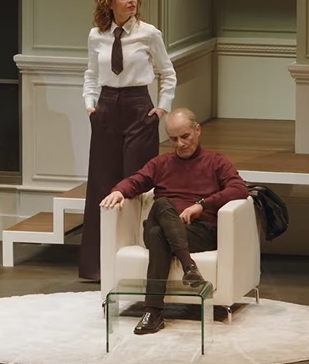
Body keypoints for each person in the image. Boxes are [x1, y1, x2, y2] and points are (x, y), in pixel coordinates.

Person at [100, 108, 248, 335]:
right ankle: (189, 267)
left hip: (197, 232)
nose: (180, 144)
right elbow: (136, 180)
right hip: (166, 224)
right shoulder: (161, 163)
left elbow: (239, 189)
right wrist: (119, 191)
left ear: (197, 130)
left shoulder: (216, 162)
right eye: (173, 139)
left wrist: (202, 205)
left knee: (158, 234)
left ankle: (152, 313)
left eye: (185, 136)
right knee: (162, 204)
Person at [80, 0, 177, 281]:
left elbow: (168, 73)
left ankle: (139, 261)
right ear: (109, 3)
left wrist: (161, 109)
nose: (131, 0)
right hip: (106, 108)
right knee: (102, 184)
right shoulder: (97, 36)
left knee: (137, 182)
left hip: (139, 108)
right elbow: (91, 74)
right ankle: (98, 265)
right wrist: (90, 105)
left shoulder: (149, 34)